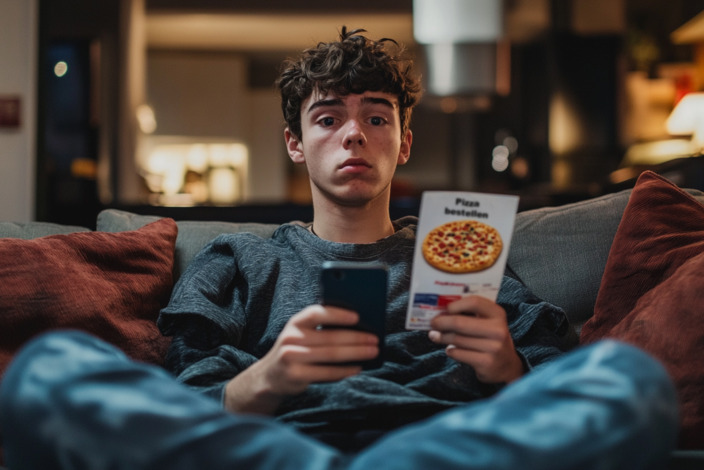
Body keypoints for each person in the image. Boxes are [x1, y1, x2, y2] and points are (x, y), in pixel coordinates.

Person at [0, 28, 678, 470]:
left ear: (403, 142)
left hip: (447, 450)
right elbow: (187, 399)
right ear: (295, 143)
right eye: (328, 118)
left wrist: (507, 367)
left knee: (632, 381)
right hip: (276, 451)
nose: (354, 135)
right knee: (49, 368)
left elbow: (553, 384)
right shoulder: (239, 259)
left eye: (376, 117)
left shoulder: (463, 254)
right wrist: (271, 375)